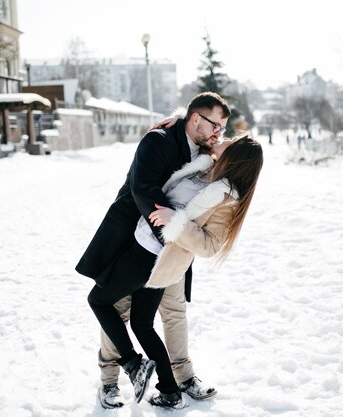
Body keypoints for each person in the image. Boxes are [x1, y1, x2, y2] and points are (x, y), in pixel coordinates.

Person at [76, 92, 231, 408]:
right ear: (196, 119)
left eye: (223, 129)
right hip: (137, 241)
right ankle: (110, 381)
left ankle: (178, 379)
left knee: (172, 311)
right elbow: (142, 189)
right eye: (216, 125)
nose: (219, 133)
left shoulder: (204, 150)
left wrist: (178, 239)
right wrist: (169, 233)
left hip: (172, 249)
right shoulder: (159, 140)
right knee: (118, 309)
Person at [86, 133, 263, 408]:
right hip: (141, 246)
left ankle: (134, 365)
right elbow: (186, 131)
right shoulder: (203, 165)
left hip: (150, 255)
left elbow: (209, 245)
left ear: (234, 157)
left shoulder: (226, 198)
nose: (222, 136)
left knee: (98, 300)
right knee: (141, 323)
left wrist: (175, 221)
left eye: (230, 139)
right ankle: (169, 392)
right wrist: (171, 121)